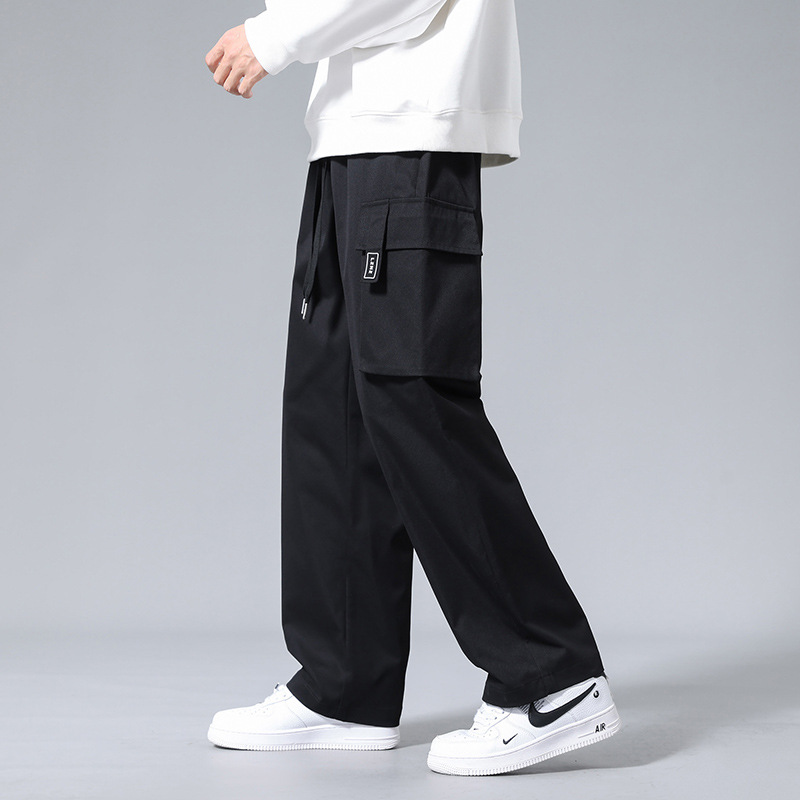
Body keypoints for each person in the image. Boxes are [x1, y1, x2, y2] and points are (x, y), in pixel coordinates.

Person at [203, 0, 620, 776]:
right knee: (336, 408)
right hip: (353, 135)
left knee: (414, 402)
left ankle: (552, 676)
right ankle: (344, 685)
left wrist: (276, 34)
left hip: (409, 130)